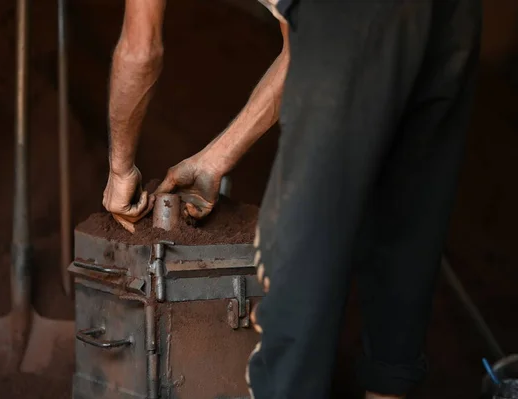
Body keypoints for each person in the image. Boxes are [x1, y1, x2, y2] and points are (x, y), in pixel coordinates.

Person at [102, 0, 482, 398]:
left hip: (352, 14)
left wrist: (121, 171)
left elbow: (140, 50)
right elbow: (295, 52)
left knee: (300, 263)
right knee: (406, 233)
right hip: (451, 15)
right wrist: (214, 162)